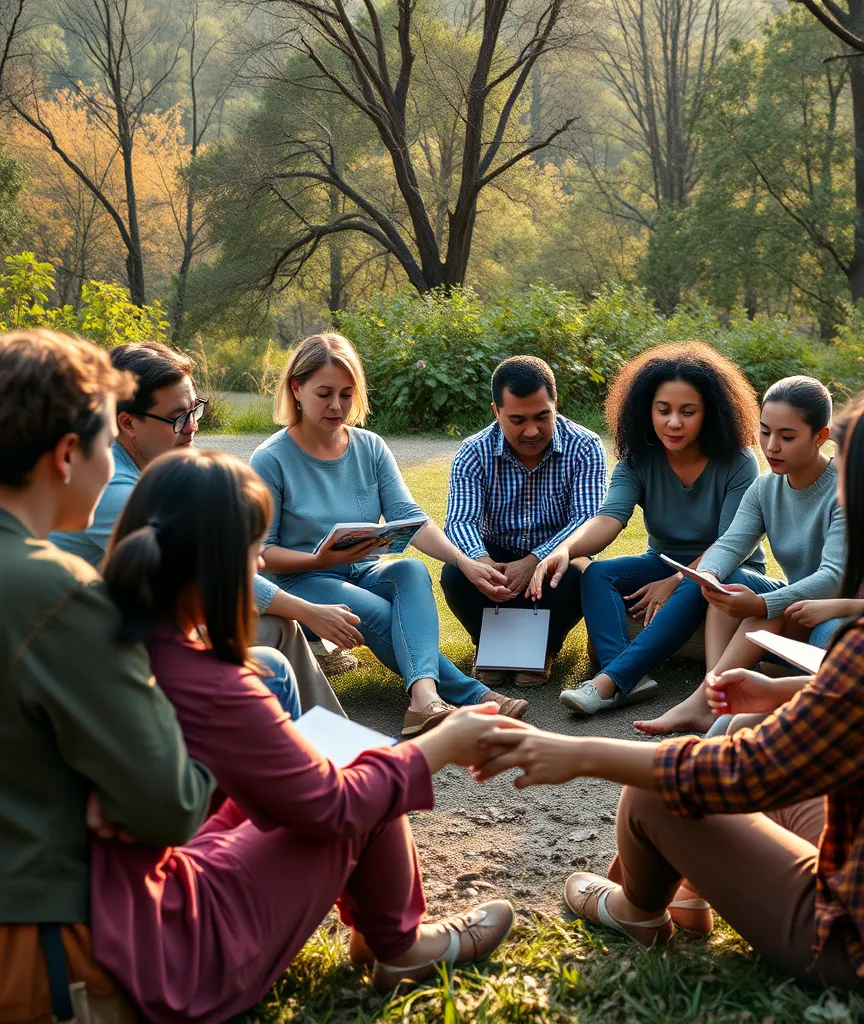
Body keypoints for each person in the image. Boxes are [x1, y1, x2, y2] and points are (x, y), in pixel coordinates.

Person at [476, 373, 864, 998]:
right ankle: (683, 891)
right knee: (734, 725)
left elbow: (754, 772)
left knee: (663, 785)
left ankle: (636, 910)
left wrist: (575, 754)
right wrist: (782, 694)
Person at [88, 446, 518, 1021]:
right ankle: (399, 946)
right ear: (219, 565)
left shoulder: (100, 641)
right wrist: (438, 745)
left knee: (335, 757)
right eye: (252, 554)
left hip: (111, 903)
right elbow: (334, 809)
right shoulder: (211, 681)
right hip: (172, 952)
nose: (260, 567)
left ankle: (386, 933)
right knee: (359, 772)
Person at [0, 329, 215, 1021]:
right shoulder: (57, 591)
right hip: (49, 957)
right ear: (67, 455)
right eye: (105, 446)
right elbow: (171, 805)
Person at [49, 341, 351, 717]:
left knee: (278, 627)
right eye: (177, 417)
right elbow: (210, 570)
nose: (192, 426)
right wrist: (308, 610)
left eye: (195, 409)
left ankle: (331, 747)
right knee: (278, 639)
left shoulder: (141, 466)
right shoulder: (113, 488)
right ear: (127, 422)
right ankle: (329, 755)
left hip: (135, 632)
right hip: (103, 657)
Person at [250, 333, 527, 736]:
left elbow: (409, 518)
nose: (337, 406)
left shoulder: (370, 447)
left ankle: (423, 699)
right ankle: (470, 696)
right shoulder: (271, 458)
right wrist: (320, 560)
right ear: (296, 388)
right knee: (378, 612)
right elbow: (262, 554)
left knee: (412, 570)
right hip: (301, 583)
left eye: (347, 394)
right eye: (324, 393)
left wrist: (463, 561)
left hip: (361, 572)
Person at [529, 342, 763, 715]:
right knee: (596, 572)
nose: (674, 422)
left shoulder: (739, 461)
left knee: (699, 581)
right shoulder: (637, 459)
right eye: (663, 410)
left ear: (711, 413)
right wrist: (565, 550)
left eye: (688, 412)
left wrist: (674, 582)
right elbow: (608, 519)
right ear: (646, 410)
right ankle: (632, 680)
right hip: (664, 561)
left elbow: (733, 541)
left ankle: (608, 682)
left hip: (729, 568)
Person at [635, 376, 844, 736]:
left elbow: (833, 577)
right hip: (798, 605)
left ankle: (716, 702)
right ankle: (718, 698)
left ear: (820, 437)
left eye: (787, 437)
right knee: (731, 582)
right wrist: (711, 576)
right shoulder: (766, 486)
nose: (771, 446)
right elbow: (731, 542)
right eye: (765, 432)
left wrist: (764, 605)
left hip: (838, 610)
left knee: (774, 614)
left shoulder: (845, 488)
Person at [442, 356, 607, 686]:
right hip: (496, 557)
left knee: (581, 574)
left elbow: (589, 518)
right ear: (496, 412)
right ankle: (491, 645)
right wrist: (483, 564)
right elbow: (459, 521)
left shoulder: (585, 446)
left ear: (555, 405)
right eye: (517, 419)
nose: (532, 431)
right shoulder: (473, 451)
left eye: (542, 416)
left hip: (557, 561)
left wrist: (536, 561)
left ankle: (543, 648)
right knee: (455, 573)